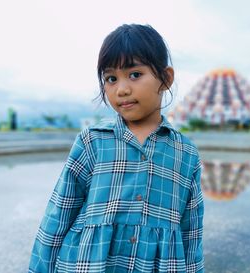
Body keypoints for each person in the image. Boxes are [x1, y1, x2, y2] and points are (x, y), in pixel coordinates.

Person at [28, 24, 204, 273]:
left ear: (166, 78)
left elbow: (191, 233)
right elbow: (59, 214)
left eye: (134, 74)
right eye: (111, 78)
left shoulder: (186, 154)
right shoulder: (93, 142)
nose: (121, 89)